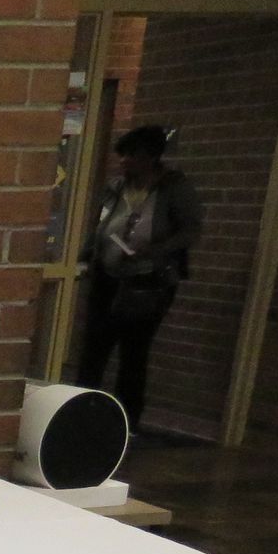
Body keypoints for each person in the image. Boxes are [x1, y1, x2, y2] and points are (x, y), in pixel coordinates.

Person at [76, 124, 205, 433]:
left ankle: (126, 422)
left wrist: (156, 250)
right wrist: (84, 257)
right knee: (94, 349)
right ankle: (79, 413)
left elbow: (190, 231)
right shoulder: (116, 188)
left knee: (133, 353)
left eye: (130, 156)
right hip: (108, 276)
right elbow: (100, 225)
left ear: (149, 157)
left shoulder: (175, 189)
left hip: (146, 283)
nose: (124, 162)